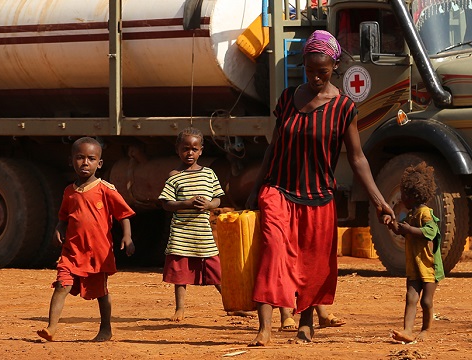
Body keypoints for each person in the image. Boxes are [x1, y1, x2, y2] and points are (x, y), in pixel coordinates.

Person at [245, 30, 394, 346]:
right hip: (279, 191)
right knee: (273, 252)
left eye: (322, 72)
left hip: (318, 197)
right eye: (310, 71)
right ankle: (265, 327)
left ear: (334, 68)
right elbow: (273, 149)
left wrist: (379, 200)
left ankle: (306, 322)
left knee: (314, 264)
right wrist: (256, 188)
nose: (315, 77)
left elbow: (357, 159)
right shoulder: (287, 99)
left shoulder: (343, 108)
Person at [37, 136, 136, 342]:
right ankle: (51, 327)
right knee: (61, 285)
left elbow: (123, 214)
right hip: (72, 252)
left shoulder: (105, 190)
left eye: (91, 158)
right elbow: (64, 216)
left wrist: (127, 236)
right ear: (71, 161)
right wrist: (59, 227)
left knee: (101, 292)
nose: (85, 163)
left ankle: (106, 328)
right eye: (80, 157)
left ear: (99, 163)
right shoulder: (69, 192)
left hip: (97, 254)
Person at [159, 127, 225, 322]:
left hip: (203, 232)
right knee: (180, 273)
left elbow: (218, 199)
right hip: (182, 232)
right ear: (178, 150)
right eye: (185, 148)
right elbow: (166, 203)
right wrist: (185, 204)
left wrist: (208, 205)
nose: (190, 153)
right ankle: (180, 309)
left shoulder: (209, 174)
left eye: (194, 149)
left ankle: (231, 304)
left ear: (201, 150)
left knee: (216, 270)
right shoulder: (174, 176)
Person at [386, 161, 443, 343]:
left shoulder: (425, 213)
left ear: (413, 195)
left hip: (429, 266)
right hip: (414, 265)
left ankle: (426, 329)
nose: (401, 198)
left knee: (426, 301)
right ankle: (407, 330)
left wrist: (409, 230)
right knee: (411, 297)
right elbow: (400, 230)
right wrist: (392, 221)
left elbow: (430, 232)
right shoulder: (410, 214)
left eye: (403, 194)